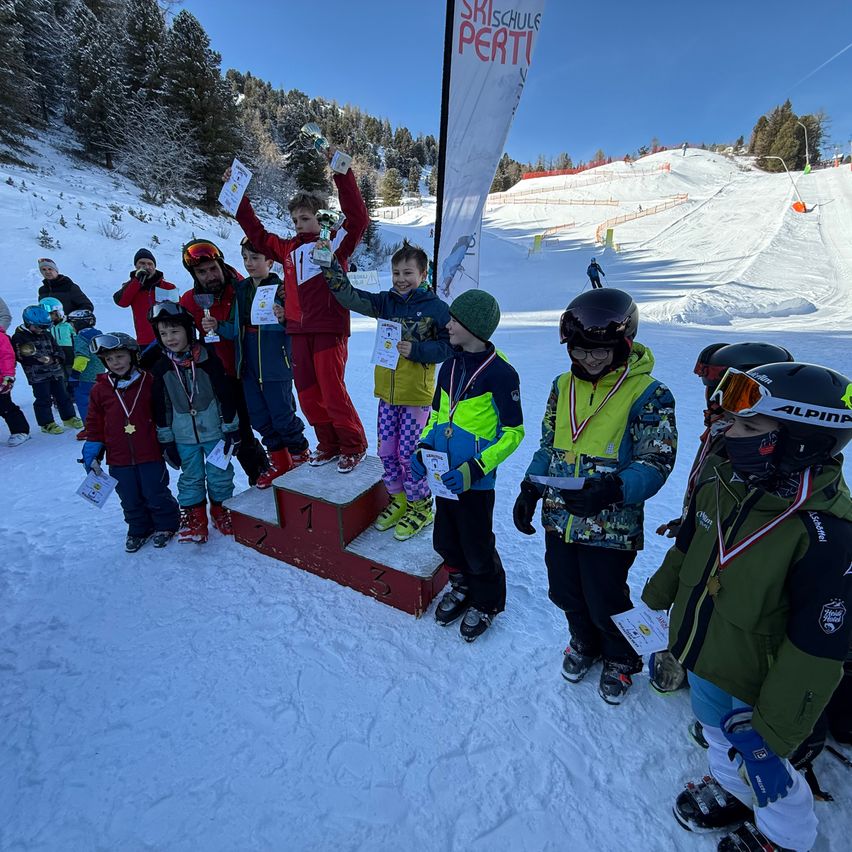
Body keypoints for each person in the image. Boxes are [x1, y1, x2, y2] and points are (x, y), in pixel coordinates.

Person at [642, 362, 852, 852]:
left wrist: (773, 736)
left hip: (763, 687)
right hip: (710, 655)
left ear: (799, 442)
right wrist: (655, 608)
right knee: (717, 734)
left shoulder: (826, 535)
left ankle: (784, 835)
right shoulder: (725, 479)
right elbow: (688, 550)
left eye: (749, 426)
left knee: (763, 764)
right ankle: (734, 790)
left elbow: (815, 653)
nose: (727, 431)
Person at [512, 288, 677, 704]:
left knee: (606, 598)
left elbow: (655, 461)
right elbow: (549, 444)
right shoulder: (561, 385)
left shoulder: (649, 394)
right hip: (561, 516)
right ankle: (583, 642)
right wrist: (531, 486)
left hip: (611, 524)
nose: (588, 360)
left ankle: (621, 657)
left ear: (625, 343)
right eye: (580, 350)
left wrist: (613, 489)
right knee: (564, 590)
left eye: (600, 352)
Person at [651, 341, 794, 697]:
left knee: (720, 610)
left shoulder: (755, 444)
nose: (715, 399)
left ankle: (715, 683)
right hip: (705, 531)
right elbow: (705, 487)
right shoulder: (722, 429)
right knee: (690, 592)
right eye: (712, 390)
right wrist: (689, 520)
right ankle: (686, 657)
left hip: (736, 556)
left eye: (723, 389)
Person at [233, 151, 370, 473]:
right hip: (296, 330)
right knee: (308, 394)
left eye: (305, 218)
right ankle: (328, 442)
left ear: (320, 217)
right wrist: (239, 200)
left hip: (328, 328)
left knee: (332, 390)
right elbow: (256, 234)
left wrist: (342, 176)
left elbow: (358, 219)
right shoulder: (287, 249)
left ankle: (353, 444)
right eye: (295, 220)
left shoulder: (335, 242)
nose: (299, 225)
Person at [410, 289, 524, 641]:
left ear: (475, 327)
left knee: (477, 545)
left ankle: (487, 601)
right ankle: (460, 586)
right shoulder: (449, 366)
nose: (448, 325)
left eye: (455, 320)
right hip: (444, 476)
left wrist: (475, 468)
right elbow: (436, 417)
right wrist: (423, 447)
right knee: (445, 540)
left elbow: (513, 433)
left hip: (474, 481)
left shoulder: (501, 375)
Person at [322, 240, 452, 539]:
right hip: (387, 394)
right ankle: (399, 499)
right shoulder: (385, 302)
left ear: (423, 273)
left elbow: (450, 346)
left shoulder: (435, 309)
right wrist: (330, 266)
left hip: (417, 398)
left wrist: (418, 350)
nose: (401, 279)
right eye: (395, 273)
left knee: (409, 454)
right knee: (386, 452)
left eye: (408, 272)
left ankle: (421, 505)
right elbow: (350, 297)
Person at [207, 236, 309, 489]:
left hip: (276, 364)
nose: (249, 263)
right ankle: (280, 463)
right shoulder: (241, 290)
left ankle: (300, 458)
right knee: (259, 418)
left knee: (283, 416)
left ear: (270, 261)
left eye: (255, 258)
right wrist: (217, 326)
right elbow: (235, 329)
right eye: (245, 258)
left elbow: (296, 325)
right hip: (248, 364)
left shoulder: (282, 288)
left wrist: (284, 317)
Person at [178, 239, 270, 486]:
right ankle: (259, 473)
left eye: (213, 269)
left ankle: (284, 463)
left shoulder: (243, 288)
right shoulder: (189, 301)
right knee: (237, 429)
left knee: (267, 419)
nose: (210, 276)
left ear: (221, 264)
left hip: (252, 369)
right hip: (220, 377)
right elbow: (176, 336)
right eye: (202, 272)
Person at [149, 302, 240, 544]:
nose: (170, 338)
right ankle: (195, 518)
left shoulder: (208, 360)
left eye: (175, 331)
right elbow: (162, 406)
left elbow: (225, 395)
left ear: (189, 331)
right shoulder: (161, 368)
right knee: (191, 477)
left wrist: (231, 428)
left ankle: (221, 511)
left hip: (214, 433)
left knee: (220, 473)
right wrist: (166, 440)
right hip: (184, 437)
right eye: (164, 333)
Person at [81, 332, 180, 552]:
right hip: (118, 457)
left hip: (150, 453)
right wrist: (93, 448)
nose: (116, 363)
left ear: (133, 355)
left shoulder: (149, 381)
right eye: (110, 359)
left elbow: (164, 412)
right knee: (128, 496)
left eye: (120, 356)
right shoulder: (100, 389)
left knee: (155, 491)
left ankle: (166, 524)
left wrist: (170, 441)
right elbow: (94, 422)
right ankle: (138, 528)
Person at [11, 305, 81, 434]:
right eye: (38, 327)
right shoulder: (19, 337)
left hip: (55, 371)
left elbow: (58, 349)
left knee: (63, 395)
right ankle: (47, 423)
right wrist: (38, 360)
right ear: (28, 323)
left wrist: (57, 358)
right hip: (38, 376)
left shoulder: (47, 334)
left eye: (45, 327)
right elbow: (21, 356)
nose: (41, 330)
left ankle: (69, 417)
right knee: (43, 398)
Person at [113, 248, 178, 346]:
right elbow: (122, 302)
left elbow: (179, 309)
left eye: (150, 264)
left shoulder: (168, 287)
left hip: (168, 340)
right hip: (144, 341)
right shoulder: (131, 286)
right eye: (142, 263)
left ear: (155, 266)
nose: (147, 267)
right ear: (136, 266)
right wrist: (137, 281)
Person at [67, 309, 106, 434]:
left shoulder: (81, 337)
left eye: (72, 323)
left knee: (84, 402)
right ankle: (105, 423)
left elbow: (82, 357)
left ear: (78, 324)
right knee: (100, 401)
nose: (71, 326)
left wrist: (75, 375)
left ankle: (90, 428)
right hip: (99, 373)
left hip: (85, 377)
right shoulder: (98, 334)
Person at [0, 322, 30, 446]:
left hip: (1, 380)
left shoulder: (1, 338)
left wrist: (8, 375)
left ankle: (20, 430)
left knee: (4, 405)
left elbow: (7, 356)